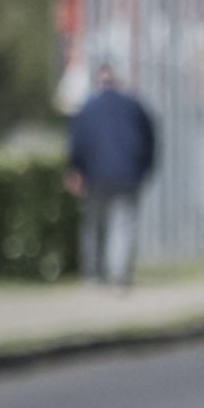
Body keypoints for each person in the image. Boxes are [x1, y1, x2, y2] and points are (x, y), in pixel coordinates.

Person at [67, 62, 159, 289]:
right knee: (123, 224)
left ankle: (93, 275)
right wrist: (146, 168)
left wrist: (75, 170)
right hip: (128, 174)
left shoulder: (88, 107)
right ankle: (118, 274)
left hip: (95, 175)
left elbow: (77, 143)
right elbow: (150, 141)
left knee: (95, 225)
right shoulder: (134, 105)